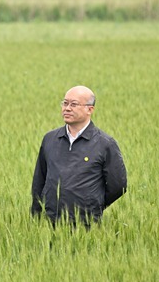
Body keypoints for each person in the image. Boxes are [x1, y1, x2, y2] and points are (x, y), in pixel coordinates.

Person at [31, 85, 127, 226]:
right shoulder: (50, 139)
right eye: (65, 103)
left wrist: (93, 206)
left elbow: (118, 186)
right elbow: (39, 180)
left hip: (86, 224)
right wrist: (36, 216)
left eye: (74, 104)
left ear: (90, 109)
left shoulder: (105, 144)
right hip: (50, 222)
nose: (67, 108)